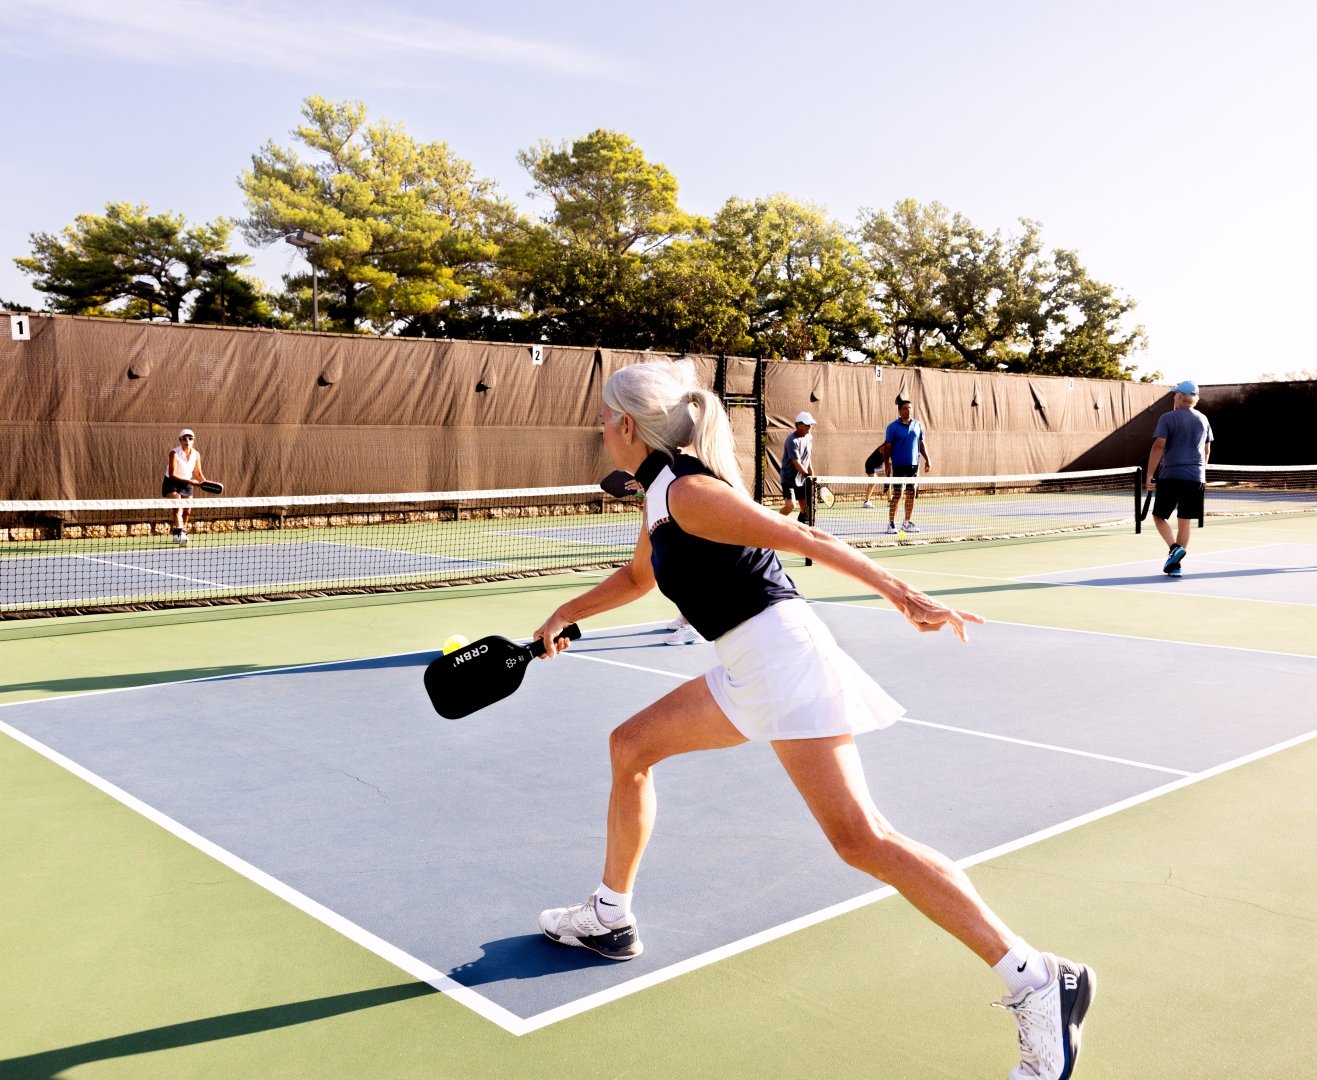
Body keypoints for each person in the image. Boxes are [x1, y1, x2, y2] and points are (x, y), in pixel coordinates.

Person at [531, 360, 1095, 1080]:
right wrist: (563, 613)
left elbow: (814, 543)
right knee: (631, 745)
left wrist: (906, 596)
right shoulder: (659, 496)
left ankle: (1039, 980)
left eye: (602, 420)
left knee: (863, 841)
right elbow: (640, 578)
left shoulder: (695, 492)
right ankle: (610, 916)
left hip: (784, 661)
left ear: (626, 426)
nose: (598, 431)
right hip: (747, 665)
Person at [1146, 380, 1213, 578]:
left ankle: (1174, 549)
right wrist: (1201, 471)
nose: (1173, 396)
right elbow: (1207, 450)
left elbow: (1158, 446)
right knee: (1185, 522)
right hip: (1195, 478)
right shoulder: (1204, 419)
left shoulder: (1167, 418)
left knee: (1159, 516)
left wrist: (1150, 474)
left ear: (1179, 397)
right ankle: (1176, 565)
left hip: (1171, 476)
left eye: (1175, 394)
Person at [876, 396, 931, 534]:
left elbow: (921, 443)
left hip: (913, 466)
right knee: (897, 494)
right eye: (905, 408)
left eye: (910, 408)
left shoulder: (917, 424)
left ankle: (906, 523)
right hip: (899, 466)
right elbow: (887, 447)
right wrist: (887, 464)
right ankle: (891, 523)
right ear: (899, 411)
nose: (908, 411)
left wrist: (927, 459)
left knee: (911, 493)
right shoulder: (892, 427)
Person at [162, 428, 209, 545]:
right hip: (171, 482)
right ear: (180, 440)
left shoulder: (196, 454)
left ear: (193, 441)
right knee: (178, 506)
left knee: (187, 511)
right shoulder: (174, 453)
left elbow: (198, 473)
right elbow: (172, 475)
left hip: (187, 484)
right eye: (184, 438)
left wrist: (206, 483)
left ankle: (181, 531)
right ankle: (179, 534)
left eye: (190, 438)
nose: (187, 441)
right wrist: (191, 482)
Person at [777, 411, 815, 519]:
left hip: (801, 479)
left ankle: (800, 529)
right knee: (790, 506)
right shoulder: (791, 441)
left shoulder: (809, 438)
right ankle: (773, 522)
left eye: (811, 424)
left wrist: (812, 476)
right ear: (799, 425)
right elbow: (796, 462)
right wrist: (807, 475)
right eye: (807, 424)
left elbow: (808, 459)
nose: (810, 426)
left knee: (806, 510)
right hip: (789, 479)